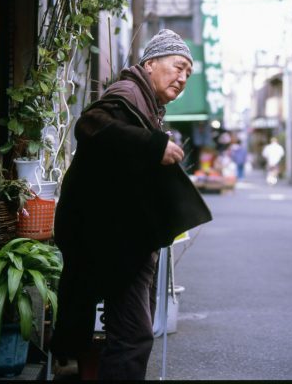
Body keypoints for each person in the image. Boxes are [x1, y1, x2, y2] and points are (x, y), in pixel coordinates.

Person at [50, 29, 209, 380]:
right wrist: (154, 146)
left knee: (99, 328)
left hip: (115, 236)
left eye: (188, 73)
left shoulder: (146, 100)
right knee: (133, 335)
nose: (183, 78)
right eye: (178, 67)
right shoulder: (127, 92)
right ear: (150, 63)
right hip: (110, 239)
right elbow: (90, 124)